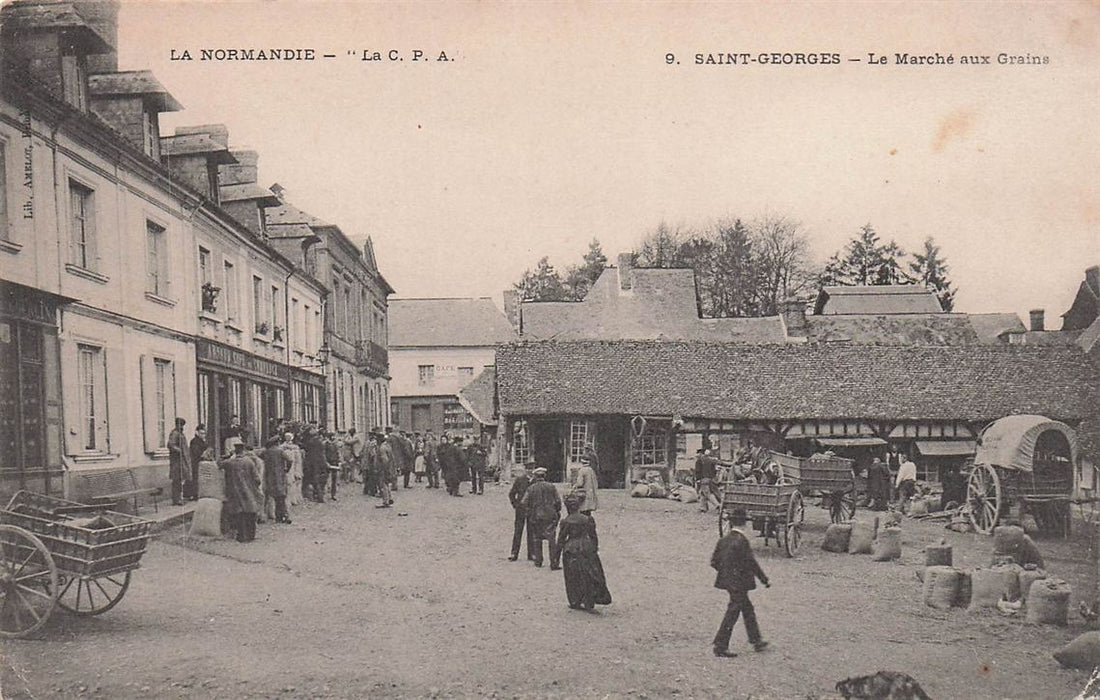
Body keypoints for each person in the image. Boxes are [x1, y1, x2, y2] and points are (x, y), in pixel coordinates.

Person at [711, 508, 770, 658]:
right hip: (739, 583)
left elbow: (714, 561)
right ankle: (720, 645)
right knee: (733, 611)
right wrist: (764, 579)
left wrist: (726, 572)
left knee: (747, 609)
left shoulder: (723, 539)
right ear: (745, 524)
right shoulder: (742, 541)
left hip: (728, 581)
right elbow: (751, 563)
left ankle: (756, 640)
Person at [557, 493, 612, 612]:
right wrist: (594, 548)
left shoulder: (566, 521)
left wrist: (555, 557)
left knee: (573, 577)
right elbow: (593, 536)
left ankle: (575, 600)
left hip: (571, 548)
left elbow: (561, 539)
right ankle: (589, 600)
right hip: (587, 547)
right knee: (589, 575)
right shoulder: (588, 519)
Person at [219, 438, 262, 542]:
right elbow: (257, 479)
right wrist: (255, 488)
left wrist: (227, 455)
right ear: (244, 450)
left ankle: (242, 536)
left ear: (235, 451)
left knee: (239, 513)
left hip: (235, 491)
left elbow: (219, 463)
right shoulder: (249, 462)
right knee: (250, 512)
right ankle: (251, 536)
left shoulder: (230, 462)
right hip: (249, 491)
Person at [521, 467, 561, 569]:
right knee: (552, 540)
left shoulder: (531, 488)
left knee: (537, 538)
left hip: (536, 516)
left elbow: (523, 502)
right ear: (544, 476)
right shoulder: (551, 486)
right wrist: (557, 511)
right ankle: (553, 563)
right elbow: (558, 501)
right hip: (550, 516)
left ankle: (538, 561)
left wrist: (530, 511)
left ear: (535, 476)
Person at [261, 436, 292, 524]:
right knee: (281, 496)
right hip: (280, 475)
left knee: (272, 496)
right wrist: (287, 469)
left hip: (269, 476)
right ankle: (284, 516)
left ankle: (274, 516)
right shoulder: (280, 451)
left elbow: (259, 457)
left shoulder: (266, 452)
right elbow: (290, 460)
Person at [508, 463, 535, 561]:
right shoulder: (519, 480)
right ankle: (514, 553)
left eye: (532, 469)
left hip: (532, 510)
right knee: (518, 531)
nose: (530, 471)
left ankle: (531, 554)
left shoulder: (536, 481)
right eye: (528, 469)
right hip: (521, 510)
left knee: (531, 532)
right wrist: (516, 505)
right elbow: (511, 494)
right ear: (525, 470)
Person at [167, 418, 191, 506]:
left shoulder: (180, 434)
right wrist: (179, 451)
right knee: (177, 480)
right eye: (180, 425)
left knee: (181, 479)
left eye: (182, 425)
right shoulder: (175, 433)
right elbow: (171, 445)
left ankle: (179, 498)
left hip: (181, 460)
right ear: (177, 424)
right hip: (176, 461)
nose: (181, 427)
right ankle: (176, 499)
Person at [694, 446, 723, 513]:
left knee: (707, 494)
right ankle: (703, 508)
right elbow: (714, 470)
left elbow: (697, 471)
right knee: (702, 493)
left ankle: (717, 505)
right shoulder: (710, 460)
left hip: (703, 479)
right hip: (710, 479)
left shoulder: (699, 461)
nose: (697, 455)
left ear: (701, 454)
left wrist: (698, 479)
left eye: (698, 453)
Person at [572, 451, 599, 522]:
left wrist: (574, 485)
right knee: (588, 513)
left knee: (582, 512)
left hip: (584, 495)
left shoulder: (582, 470)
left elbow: (580, 483)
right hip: (591, 495)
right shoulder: (591, 470)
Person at [303, 426, 327, 503]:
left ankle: (317, 495)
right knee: (319, 479)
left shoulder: (311, 442)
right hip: (319, 462)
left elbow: (308, 451)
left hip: (312, 463)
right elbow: (322, 453)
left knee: (314, 479)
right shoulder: (320, 442)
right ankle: (319, 495)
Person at [282, 432, 305, 507]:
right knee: (288, 483)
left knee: (293, 483)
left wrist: (298, 470)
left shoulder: (295, 448)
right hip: (287, 467)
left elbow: (298, 461)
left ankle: (293, 499)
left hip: (293, 467)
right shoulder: (282, 447)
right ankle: (288, 500)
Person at [187, 424, 208, 501]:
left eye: (204, 433)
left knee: (200, 478)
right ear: (197, 433)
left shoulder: (202, 441)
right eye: (202, 433)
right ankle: (194, 494)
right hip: (196, 462)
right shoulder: (194, 441)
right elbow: (196, 452)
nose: (203, 435)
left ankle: (199, 493)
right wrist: (203, 454)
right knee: (195, 478)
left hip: (201, 462)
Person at [376, 432, 395, 507]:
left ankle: (385, 501)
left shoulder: (382, 448)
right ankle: (389, 498)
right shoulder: (388, 446)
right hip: (389, 467)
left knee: (383, 485)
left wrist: (382, 469)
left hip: (383, 468)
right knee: (387, 484)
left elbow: (385, 460)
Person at [324, 432, 341, 501]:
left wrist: (339, 461)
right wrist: (326, 462)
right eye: (332, 436)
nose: (333, 438)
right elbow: (323, 454)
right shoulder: (325, 444)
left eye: (334, 436)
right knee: (325, 478)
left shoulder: (335, 444)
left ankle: (333, 494)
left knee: (334, 479)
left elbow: (338, 453)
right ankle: (324, 494)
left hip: (334, 463)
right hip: (328, 462)